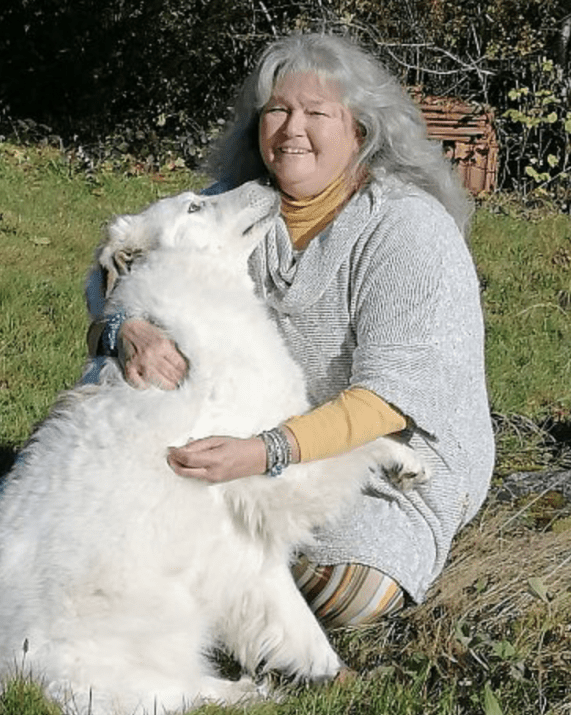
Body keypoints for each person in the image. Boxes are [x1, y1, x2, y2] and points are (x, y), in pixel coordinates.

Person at [89, 32, 494, 628]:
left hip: (386, 464)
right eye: (276, 110)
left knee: (344, 583)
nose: (290, 129)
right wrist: (125, 329)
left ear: (360, 129)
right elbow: (120, 260)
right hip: (243, 444)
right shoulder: (235, 206)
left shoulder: (408, 229)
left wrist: (263, 453)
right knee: (102, 493)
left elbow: (388, 402)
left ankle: (165, 595)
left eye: (316, 113)